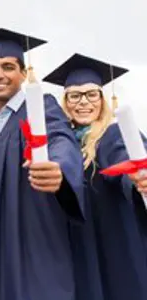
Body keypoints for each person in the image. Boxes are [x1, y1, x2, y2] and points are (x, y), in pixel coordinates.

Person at [0, 28, 84, 300]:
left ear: (23, 72)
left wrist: (59, 169)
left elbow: (61, 140)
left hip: (34, 245)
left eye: (8, 67)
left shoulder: (41, 108)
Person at [44, 53, 147, 300]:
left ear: (103, 100)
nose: (83, 102)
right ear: (65, 102)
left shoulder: (113, 133)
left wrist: (134, 175)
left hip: (117, 243)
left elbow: (124, 155)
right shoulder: (63, 144)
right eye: (75, 95)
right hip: (78, 245)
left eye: (91, 94)